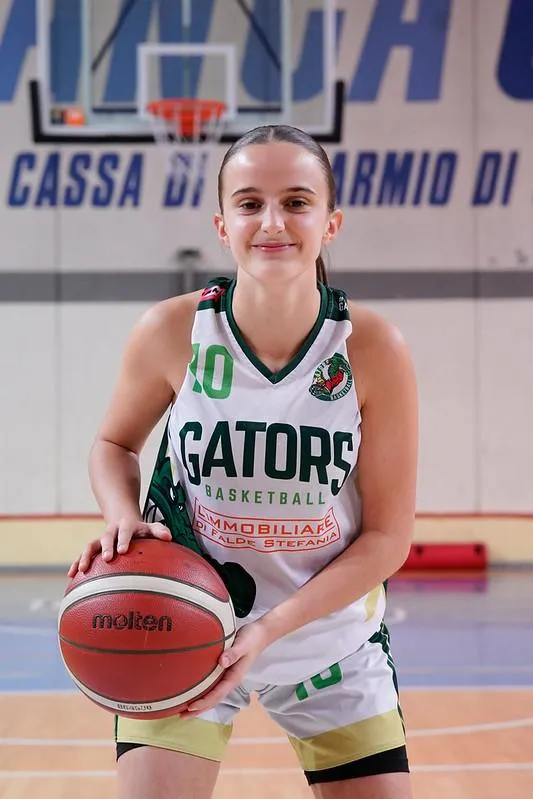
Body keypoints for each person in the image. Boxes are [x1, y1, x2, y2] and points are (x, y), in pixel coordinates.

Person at [69, 124, 418, 799]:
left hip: (328, 642)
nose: (272, 222)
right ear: (222, 224)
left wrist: (267, 631)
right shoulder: (172, 331)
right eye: (250, 202)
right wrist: (120, 517)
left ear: (331, 222)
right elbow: (112, 445)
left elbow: (387, 538)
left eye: (296, 201)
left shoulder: (372, 348)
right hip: (179, 629)